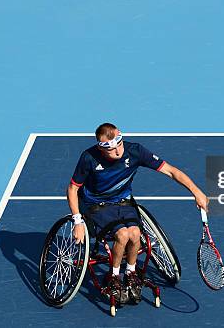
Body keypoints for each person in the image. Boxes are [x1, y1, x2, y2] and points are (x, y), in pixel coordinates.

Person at [67, 123, 208, 304]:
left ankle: (131, 273)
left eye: (119, 144)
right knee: (123, 234)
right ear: (101, 149)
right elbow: (72, 189)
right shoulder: (88, 158)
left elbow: (171, 171)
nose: (117, 152)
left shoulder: (135, 151)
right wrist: (77, 220)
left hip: (124, 202)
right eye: (110, 149)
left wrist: (196, 191)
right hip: (96, 206)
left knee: (135, 233)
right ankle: (114, 277)